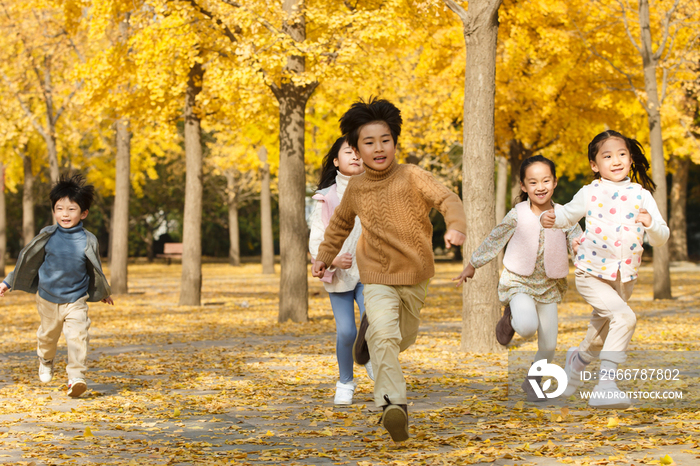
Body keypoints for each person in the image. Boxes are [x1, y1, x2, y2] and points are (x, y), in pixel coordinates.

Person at [311, 97, 466, 442]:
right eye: (368, 142)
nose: (378, 148)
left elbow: (447, 199)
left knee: (400, 338)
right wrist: (324, 256)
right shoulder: (356, 188)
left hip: (416, 274)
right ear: (356, 148)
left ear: (394, 142)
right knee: (384, 335)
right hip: (377, 275)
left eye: (385, 140)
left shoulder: (412, 176)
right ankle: (393, 405)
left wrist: (455, 226)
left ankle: (373, 338)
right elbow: (337, 226)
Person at [541, 130, 669, 409]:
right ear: (594, 164)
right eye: (607, 156)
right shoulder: (590, 192)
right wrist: (551, 216)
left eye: (622, 154)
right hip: (591, 273)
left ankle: (578, 360)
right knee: (625, 319)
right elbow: (567, 215)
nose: (616, 160)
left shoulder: (641, 194)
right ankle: (606, 385)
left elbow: (661, 237)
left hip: (625, 277)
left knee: (602, 332)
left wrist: (649, 224)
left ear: (631, 158)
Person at [453, 155, 582, 401]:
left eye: (546, 180)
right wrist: (473, 264)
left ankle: (533, 382)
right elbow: (495, 239)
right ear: (524, 186)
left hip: (549, 285)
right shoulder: (518, 214)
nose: (540, 187)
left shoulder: (565, 215)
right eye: (533, 182)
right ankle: (511, 316)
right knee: (526, 326)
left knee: (549, 345)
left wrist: (582, 255)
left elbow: (579, 245)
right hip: (519, 282)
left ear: (554, 182)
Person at [0, 174, 113, 398]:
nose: (64, 214)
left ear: (83, 213)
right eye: (60, 208)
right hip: (48, 297)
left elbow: (94, 268)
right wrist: (7, 282)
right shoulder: (47, 235)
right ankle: (46, 359)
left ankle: (76, 378)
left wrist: (102, 292)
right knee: (48, 336)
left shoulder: (88, 239)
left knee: (78, 336)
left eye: (71, 209)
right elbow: (28, 261)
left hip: (76, 299)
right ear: (54, 211)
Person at [309, 136, 374, 406]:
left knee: (375, 322)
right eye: (349, 152)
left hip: (370, 272)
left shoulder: (375, 190)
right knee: (347, 332)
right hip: (339, 275)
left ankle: (372, 360)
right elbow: (316, 237)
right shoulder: (326, 197)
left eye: (360, 152)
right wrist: (332, 258)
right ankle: (345, 382)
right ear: (337, 160)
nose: (356, 156)